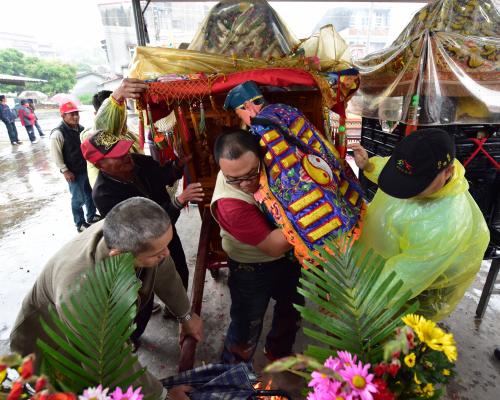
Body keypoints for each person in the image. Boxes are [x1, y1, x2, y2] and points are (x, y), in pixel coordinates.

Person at [9, 197, 203, 399]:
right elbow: (109, 361)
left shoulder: (134, 232)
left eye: (166, 245)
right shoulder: (80, 292)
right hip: (52, 348)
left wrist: (185, 315)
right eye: (158, 252)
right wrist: (163, 396)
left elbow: (164, 270)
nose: (167, 253)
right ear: (118, 254)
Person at [351, 128, 489, 321]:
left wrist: (355, 301)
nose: (405, 191)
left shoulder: (445, 224)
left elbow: (401, 279)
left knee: (397, 334)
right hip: (382, 261)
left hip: (417, 288)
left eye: (415, 185)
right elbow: (396, 169)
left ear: (448, 172)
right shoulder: (428, 167)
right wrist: (369, 166)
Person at [224, 81, 364, 264]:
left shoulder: (261, 125)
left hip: (305, 195)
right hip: (325, 175)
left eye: (241, 111)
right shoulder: (286, 109)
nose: (247, 114)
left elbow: (279, 168)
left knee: (321, 236)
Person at [211, 129, 304, 364]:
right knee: (247, 325)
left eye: (252, 173)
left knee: (292, 308)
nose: (244, 184)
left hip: (287, 258)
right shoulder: (230, 205)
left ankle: (278, 353)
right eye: (233, 179)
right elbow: (274, 246)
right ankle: (232, 376)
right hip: (252, 268)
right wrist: (313, 213)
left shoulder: (272, 160)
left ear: (261, 156)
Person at [81, 131, 204, 293]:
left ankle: (177, 310)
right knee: (147, 283)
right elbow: (141, 230)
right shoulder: (104, 194)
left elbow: (162, 175)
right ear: (100, 165)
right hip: (142, 247)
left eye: (124, 151)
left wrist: (177, 165)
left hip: (167, 231)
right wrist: (177, 202)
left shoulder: (138, 161)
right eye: (117, 156)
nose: (126, 156)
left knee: (180, 271)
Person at [50, 101, 99, 233]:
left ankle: (91, 215)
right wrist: (65, 171)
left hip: (86, 168)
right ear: (63, 116)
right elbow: (56, 155)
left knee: (90, 194)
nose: (75, 117)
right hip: (73, 172)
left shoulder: (81, 129)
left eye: (76, 113)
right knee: (78, 198)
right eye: (71, 114)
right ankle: (80, 223)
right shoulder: (58, 134)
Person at [81, 86, 143, 188]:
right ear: (97, 115)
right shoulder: (93, 139)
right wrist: (116, 97)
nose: (123, 115)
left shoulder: (130, 135)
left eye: (123, 110)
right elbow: (102, 127)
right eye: (117, 112)